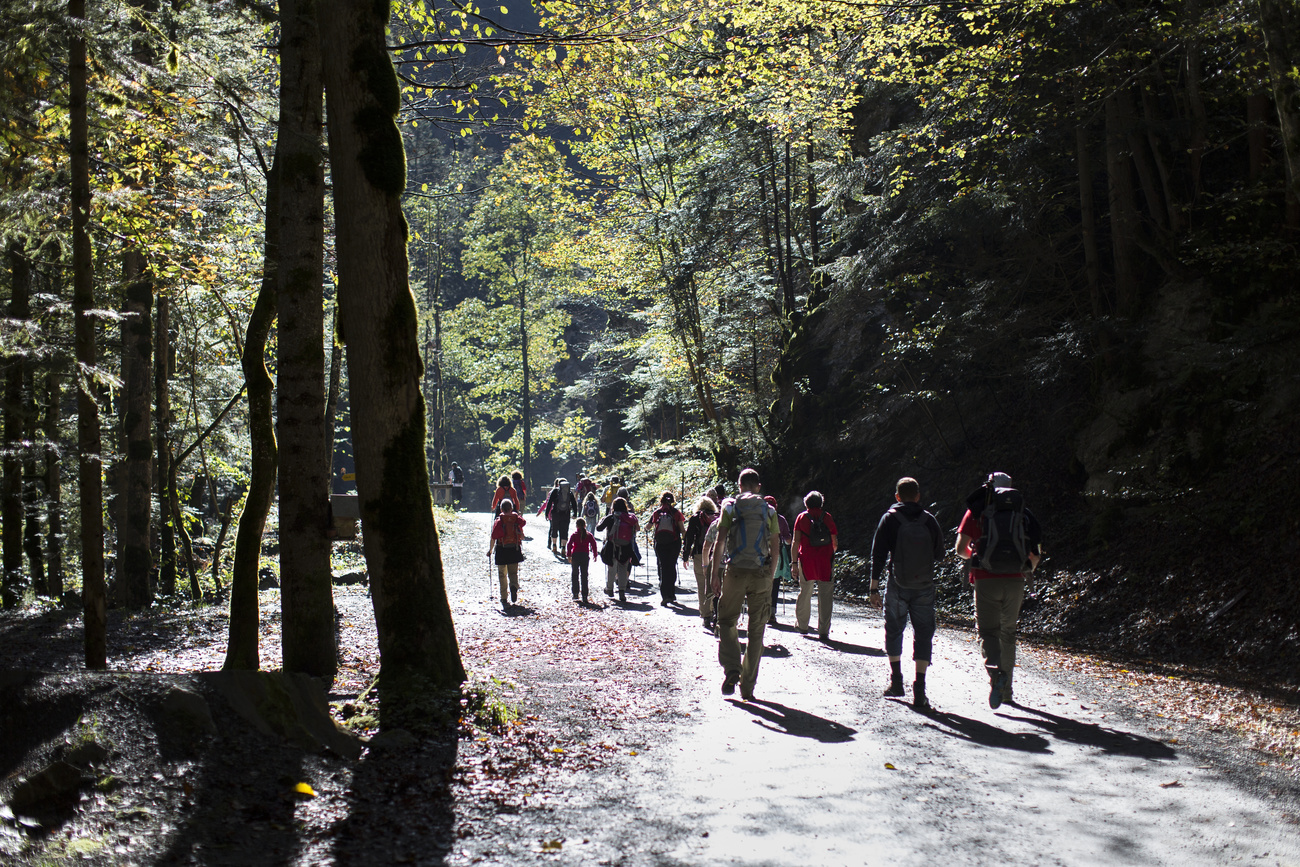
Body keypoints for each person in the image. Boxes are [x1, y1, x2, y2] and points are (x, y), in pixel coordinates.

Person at [955, 471, 1043, 709]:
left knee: (987, 632)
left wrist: (978, 554)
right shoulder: (1023, 514)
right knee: (1008, 634)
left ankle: (996, 676)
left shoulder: (977, 511)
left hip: (985, 579)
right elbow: (1036, 554)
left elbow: (961, 550)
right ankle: (1007, 692)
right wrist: (1025, 569)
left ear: (990, 488)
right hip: (1015, 580)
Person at [869, 477, 946, 710]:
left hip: (897, 584)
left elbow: (879, 555)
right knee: (923, 633)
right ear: (918, 496)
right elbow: (940, 554)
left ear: (897, 497)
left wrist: (873, 587)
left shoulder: (889, 518)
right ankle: (920, 690)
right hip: (924, 585)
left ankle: (896, 682)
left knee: (894, 629)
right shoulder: (929, 520)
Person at [710, 468, 780, 702]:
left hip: (736, 572)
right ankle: (748, 687)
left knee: (727, 620)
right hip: (760, 573)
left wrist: (715, 574)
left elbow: (720, 541)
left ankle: (732, 669)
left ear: (739, 486)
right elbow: (775, 544)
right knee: (756, 630)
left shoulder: (729, 507)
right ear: (758, 487)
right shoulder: (769, 511)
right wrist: (770, 575)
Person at [791, 491, 838, 640]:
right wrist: (829, 553)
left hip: (807, 560)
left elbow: (795, 542)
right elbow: (834, 541)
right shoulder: (828, 517)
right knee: (825, 594)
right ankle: (823, 630)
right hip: (825, 560)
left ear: (806, 504)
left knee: (805, 591)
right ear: (821, 503)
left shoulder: (802, 517)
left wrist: (794, 563)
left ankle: (803, 626)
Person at [682, 496, 718, 627]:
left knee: (702, 585)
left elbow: (689, 538)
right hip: (716, 554)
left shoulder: (695, 518)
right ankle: (715, 611)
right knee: (715, 582)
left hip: (699, 554)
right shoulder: (717, 518)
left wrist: (685, 556)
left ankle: (706, 615)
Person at [597, 496, 639, 602]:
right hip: (626, 545)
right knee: (623, 568)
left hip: (612, 545)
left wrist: (601, 520)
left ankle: (610, 589)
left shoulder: (610, 517)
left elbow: (599, 528)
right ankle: (621, 592)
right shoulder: (630, 518)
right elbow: (637, 528)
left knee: (612, 567)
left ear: (613, 506)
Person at [487, 500, 526, 609]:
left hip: (501, 550)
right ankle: (513, 586)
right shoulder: (516, 519)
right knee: (513, 573)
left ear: (501, 509)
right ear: (511, 508)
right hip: (514, 549)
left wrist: (490, 551)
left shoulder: (499, 520)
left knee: (502, 575)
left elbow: (493, 537)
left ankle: (504, 597)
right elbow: (522, 536)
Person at [648, 492, 685, 605]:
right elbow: (682, 529)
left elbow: (649, 526)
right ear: (672, 500)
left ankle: (665, 596)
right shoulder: (676, 513)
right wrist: (686, 542)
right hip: (674, 542)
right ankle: (672, 593)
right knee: (672, 565)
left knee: (663, 567)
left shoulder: (657, 513)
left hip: (660, 543)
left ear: (661, 500)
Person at [765, 495, 792, 626]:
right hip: (777, 554)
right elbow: (788, 539)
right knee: (774, 584)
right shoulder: (780, 519)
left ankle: (761, 611)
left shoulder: (758, 518)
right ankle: (771, 613)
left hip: (760, 554)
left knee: (761, 583)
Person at [566, 516, 598, 603]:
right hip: (585, 556)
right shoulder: (589, 535)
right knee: (584, 575)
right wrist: (595, 554)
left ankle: (575, 593)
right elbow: (593, 544)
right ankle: (584, 595)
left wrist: (569, 555)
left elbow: (569, 545)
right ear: (585, 525)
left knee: (575, 574)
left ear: (577, 526)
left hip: (575, 555)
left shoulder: (574, 535)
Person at [544, 478, 577, 552]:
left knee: (554, 530)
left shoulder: (555, 491)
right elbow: (574, 504)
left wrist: (546, 514)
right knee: (564, 531)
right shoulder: (569, 492)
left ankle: (554, 546)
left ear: (559, 484)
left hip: (556, 513)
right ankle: (563, 548)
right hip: (566, 514)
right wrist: (575, 513)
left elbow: (549, 503)